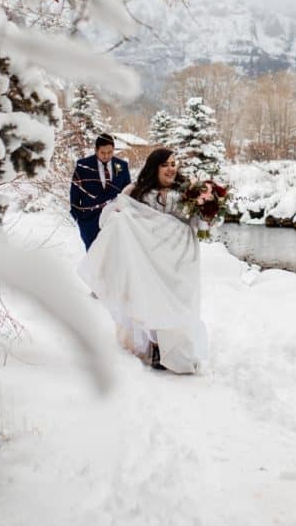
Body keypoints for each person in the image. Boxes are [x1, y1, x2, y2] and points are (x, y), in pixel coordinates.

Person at [78, 148, 210, 374]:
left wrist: (208, 210)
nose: (171, 168)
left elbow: (200, 226)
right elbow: (106, 217)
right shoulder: (136, 191)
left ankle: (177, 349)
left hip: (178, 259)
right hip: (148, 258)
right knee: (153, 301)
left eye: (173, 164)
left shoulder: (187, 193)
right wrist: (120, 218)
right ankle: (157, 347)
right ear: (154, 167)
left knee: (176, 304)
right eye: (165, 164)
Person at [70, 133, 131, 251]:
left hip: (114, 222)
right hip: (89, 223)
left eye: (110, 152)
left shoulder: (122, 166)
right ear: (96, 150)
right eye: (103, 152)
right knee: (93, 259)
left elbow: (127, 194)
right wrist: (79, 218)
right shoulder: (83, 166)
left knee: (113, 257)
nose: (106, 156)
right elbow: (74, 194)